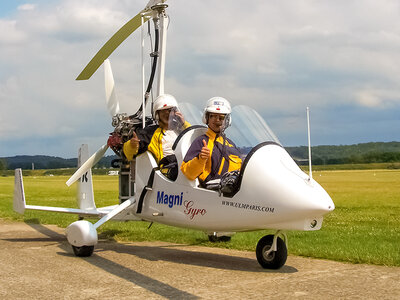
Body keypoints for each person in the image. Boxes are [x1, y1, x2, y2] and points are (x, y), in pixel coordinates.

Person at [123, 94, 190, 179]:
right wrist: (132, 145)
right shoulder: (149, 133)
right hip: (167, 175)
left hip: (187, 170)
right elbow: (128, 153)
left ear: (176, 112)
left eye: (170, 110)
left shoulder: (183, 130)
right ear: (157, 114)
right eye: (163, 111)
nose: (167, 114)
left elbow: (195, 139)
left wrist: (184, 123)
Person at [180, 97, 242, 186]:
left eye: (221, 117)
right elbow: (189, 173)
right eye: (213, 116)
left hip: (230, 192)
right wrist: (200, 159)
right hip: (209, 192)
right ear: (206, 118)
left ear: (227, 120)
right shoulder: (201, 141)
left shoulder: (231, 144)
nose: (217, 120)